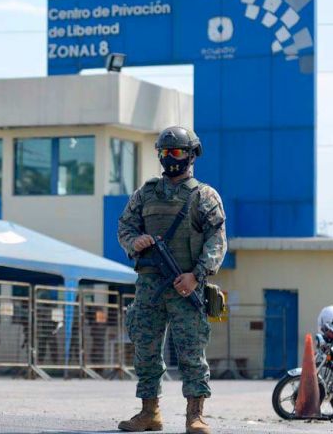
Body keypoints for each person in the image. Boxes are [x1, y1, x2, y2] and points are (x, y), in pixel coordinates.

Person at [117, 126, 227, 434]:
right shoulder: (146, 193)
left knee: (192, 352)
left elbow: (216, 241)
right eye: (165, 153)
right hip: (150, 285)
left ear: (191, 155)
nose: (170, 158)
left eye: (177, 152)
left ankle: (195, 415)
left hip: (186, 285)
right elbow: (125, 225)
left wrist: (197, 276)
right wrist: (133, 242)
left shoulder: (204, 196)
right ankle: (149, 412)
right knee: (145, 349)